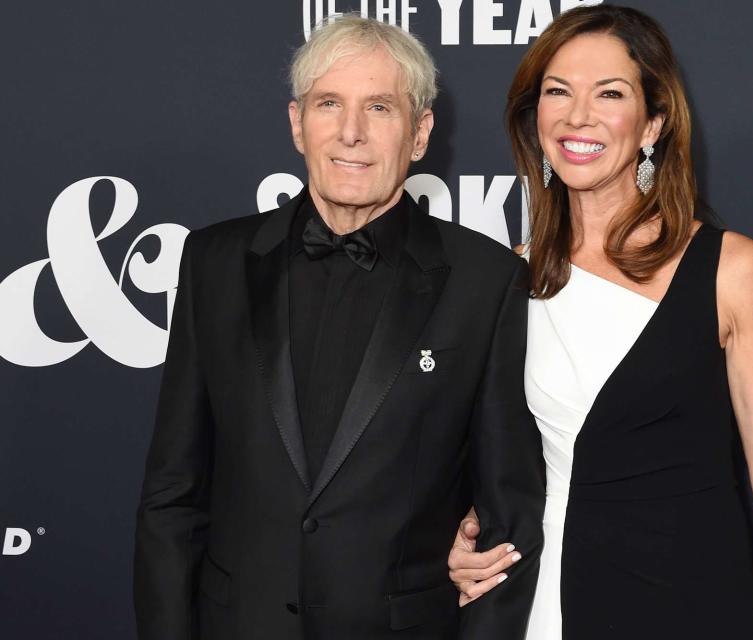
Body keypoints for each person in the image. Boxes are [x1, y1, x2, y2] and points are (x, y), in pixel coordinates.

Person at [133, 15, 544, 640]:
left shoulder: (484, 281)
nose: (351, 133)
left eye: (380, 108)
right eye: (330, 104)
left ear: (420, 133)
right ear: (298, 123)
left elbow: (504, 518)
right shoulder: (215, 262)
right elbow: (173, 490)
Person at [447, 6, 753, 639]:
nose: (579, 115)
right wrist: (463, 535)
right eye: (558, 92)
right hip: (536, 604)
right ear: (536, 118)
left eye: (609, 93)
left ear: (653, 123)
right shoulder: (507, 279)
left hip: (682, 600)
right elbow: (491, 464)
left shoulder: (729, 268)